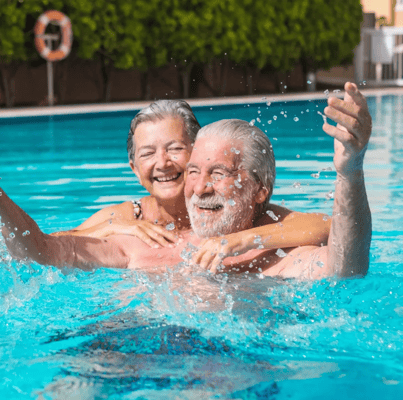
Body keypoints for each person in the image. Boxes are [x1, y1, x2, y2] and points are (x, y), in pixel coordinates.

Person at [0, 82, 371, 279]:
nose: (200, 185)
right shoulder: (133, 236)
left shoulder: (271, 252)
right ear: (132, 166)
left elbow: (343, 261)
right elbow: (45, 250)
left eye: (217, 172)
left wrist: (350, 171)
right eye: (196, 172)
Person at [50, 99, 331, 265]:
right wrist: (110, 227)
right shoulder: (130, 216)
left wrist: (242, 239)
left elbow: (326, 226)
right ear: (135, 169)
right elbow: (49, 246)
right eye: (148, 153)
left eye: (174, 148)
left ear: (199, 152)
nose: (162, 163)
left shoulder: (232, 207)